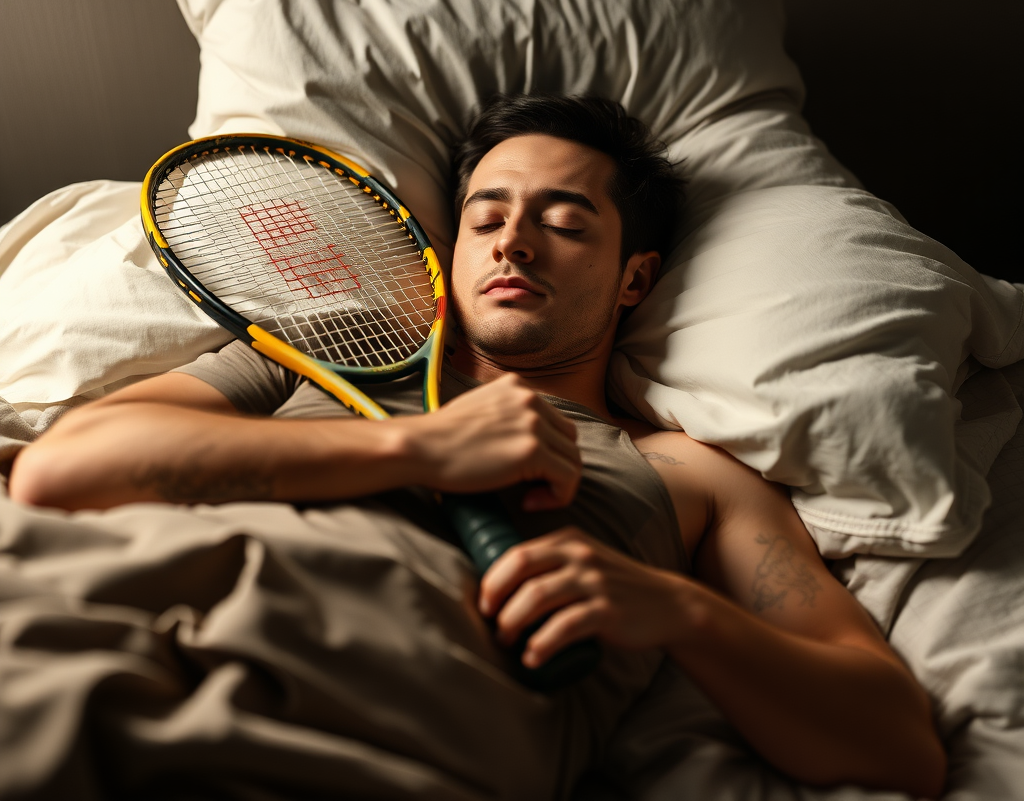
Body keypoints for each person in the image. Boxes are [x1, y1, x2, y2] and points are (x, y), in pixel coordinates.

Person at [9, 95, 946, 799]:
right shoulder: (316, 360)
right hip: (81, 615)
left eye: (565, 222)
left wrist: (676, 611)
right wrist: (417, 454)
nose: (515, 244)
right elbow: (61, 470)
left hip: (365, 723)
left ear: (635, 280)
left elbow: (895, 743)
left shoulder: (687, 472)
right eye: (487, 218)